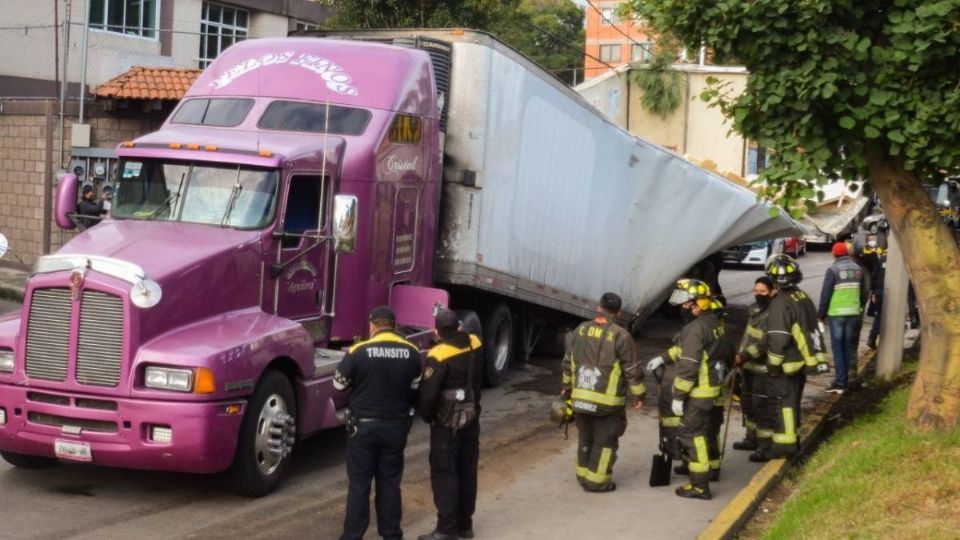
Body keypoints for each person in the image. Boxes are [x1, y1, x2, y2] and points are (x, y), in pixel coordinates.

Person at [333, 306, 422, 540]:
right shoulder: (412, 352)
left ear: (373, 325)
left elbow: (339, 385)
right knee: (390, 483)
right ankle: (391, 534)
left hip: (363, 429)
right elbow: (415, 387)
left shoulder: (359, 351)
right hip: (395, 427)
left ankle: (352, 536)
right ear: (393, 326)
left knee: (359, 485)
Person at [561, 292, 645, 493]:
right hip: (608, 404)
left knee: (585, 437)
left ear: (598, 308)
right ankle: (597, 482)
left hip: (580, 398)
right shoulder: (621, 336)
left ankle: (583, 475)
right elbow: (632, 369)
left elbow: (567, 362)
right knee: (605, 442)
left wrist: (566, 389)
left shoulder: (580, 330)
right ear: (617, 313)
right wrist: (639, 395)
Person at [655, 279, 726, 500]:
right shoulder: (712, 323)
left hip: (699, 391)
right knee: (705, 431)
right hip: (712, 387)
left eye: (686, 304)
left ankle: (699, 485)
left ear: (698, 304)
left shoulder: (695, 329)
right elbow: (685, 349)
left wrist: (678, 396)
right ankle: (706, 470)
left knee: (691, 434)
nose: (682, 308)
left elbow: (688, 365)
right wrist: (663, 357)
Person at [417, 309, 483, 540]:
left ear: (438, 331)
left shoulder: (439, 354)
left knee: (445, 473)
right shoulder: (474, 343)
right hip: (471, 418)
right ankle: (465, 525)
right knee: (467, 471)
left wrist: (429, 417)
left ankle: (446, 529)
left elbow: (428, 396)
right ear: (459, 327)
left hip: (447, 424)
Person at [761, 255, 827, 462]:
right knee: (793, 402)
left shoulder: (780, 303)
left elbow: (779, 339)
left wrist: (772, 365)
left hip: (788, 363)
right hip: (803, 362)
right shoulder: (802, 296)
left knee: (785, 405)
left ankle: (785, 446)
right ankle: (793, 441)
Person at [732, 276, 776, 456]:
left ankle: (764, 446)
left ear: (773, 291)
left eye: (762, 292)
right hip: (747, 367)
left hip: (762, 369)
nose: (758, 295)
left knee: (761, 407)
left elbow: (765, 343)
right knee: (747, 404)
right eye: (756, 291)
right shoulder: (754, 309)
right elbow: (747, 337)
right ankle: (751, 438)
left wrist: (743, 356)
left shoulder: (774, 313)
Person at [818, 242, 868, 394]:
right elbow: (863, 292)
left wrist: (820, 315)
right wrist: (859, 308)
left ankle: (840, 382)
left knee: (838, 349)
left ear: (834, 254)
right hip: (853, 312)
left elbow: (825, 294)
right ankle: (846, 379)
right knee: (847, 347)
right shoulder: (858, 269)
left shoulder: (833, 270)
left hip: (837, 313)